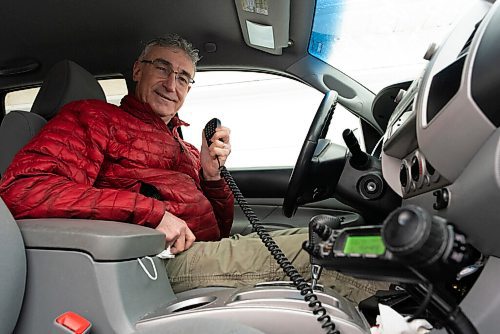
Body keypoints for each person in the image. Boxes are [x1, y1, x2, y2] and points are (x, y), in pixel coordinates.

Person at [0, 34, 388, 304]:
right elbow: (23, 188)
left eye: (184, 77)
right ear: (137, 70)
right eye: (162, 69)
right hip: (151, 265)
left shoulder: (181, 143)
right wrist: (153, 213)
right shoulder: (93, 118)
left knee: (338, 234)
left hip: (206, 250)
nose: (173, 84)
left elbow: (217, 228)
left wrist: (211, 177)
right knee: (340, 251)